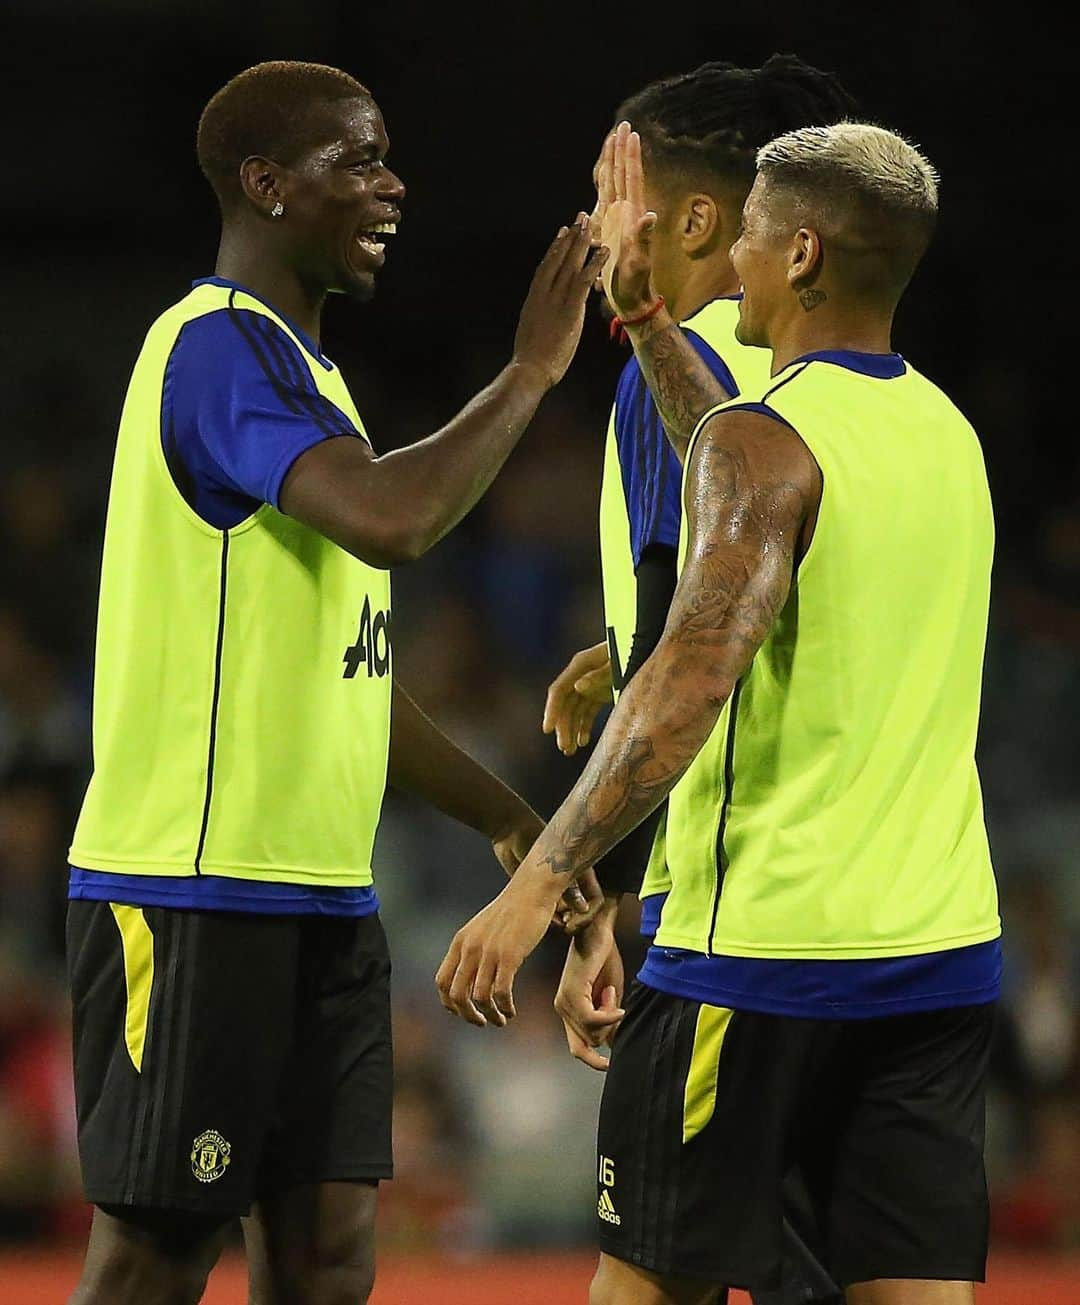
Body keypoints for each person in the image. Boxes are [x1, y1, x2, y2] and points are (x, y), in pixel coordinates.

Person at [65, 60, 602, 1305]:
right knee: (154, 1255)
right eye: (358, 159)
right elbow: (396, 521)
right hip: (189, 891)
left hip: (316, 900)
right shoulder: (213, 353)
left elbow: (349, 676)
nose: (391, 183)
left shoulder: (313, 384)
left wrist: (514, 825)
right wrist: (529, 372)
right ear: (264, 182)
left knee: (330, 1259)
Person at [438, 119, 1000, 1305]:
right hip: (937, 959)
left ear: (798, 256)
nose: (731, 260)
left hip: (757, 964)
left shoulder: (768, 441)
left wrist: (539, 882)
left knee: (651, 1288)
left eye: (747, 233)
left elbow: (691, 682)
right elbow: (756, 486)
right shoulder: (946, 434)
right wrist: (644, 322)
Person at [543, 59, 857, 1305]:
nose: (592, 232)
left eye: (610, 199)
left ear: (690, 221)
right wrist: (618, 647)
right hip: (873, 915)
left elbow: (700, 669)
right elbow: (765, 597)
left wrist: (576, 897)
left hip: (728, 909)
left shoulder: (661, 364)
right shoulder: (836, 364)